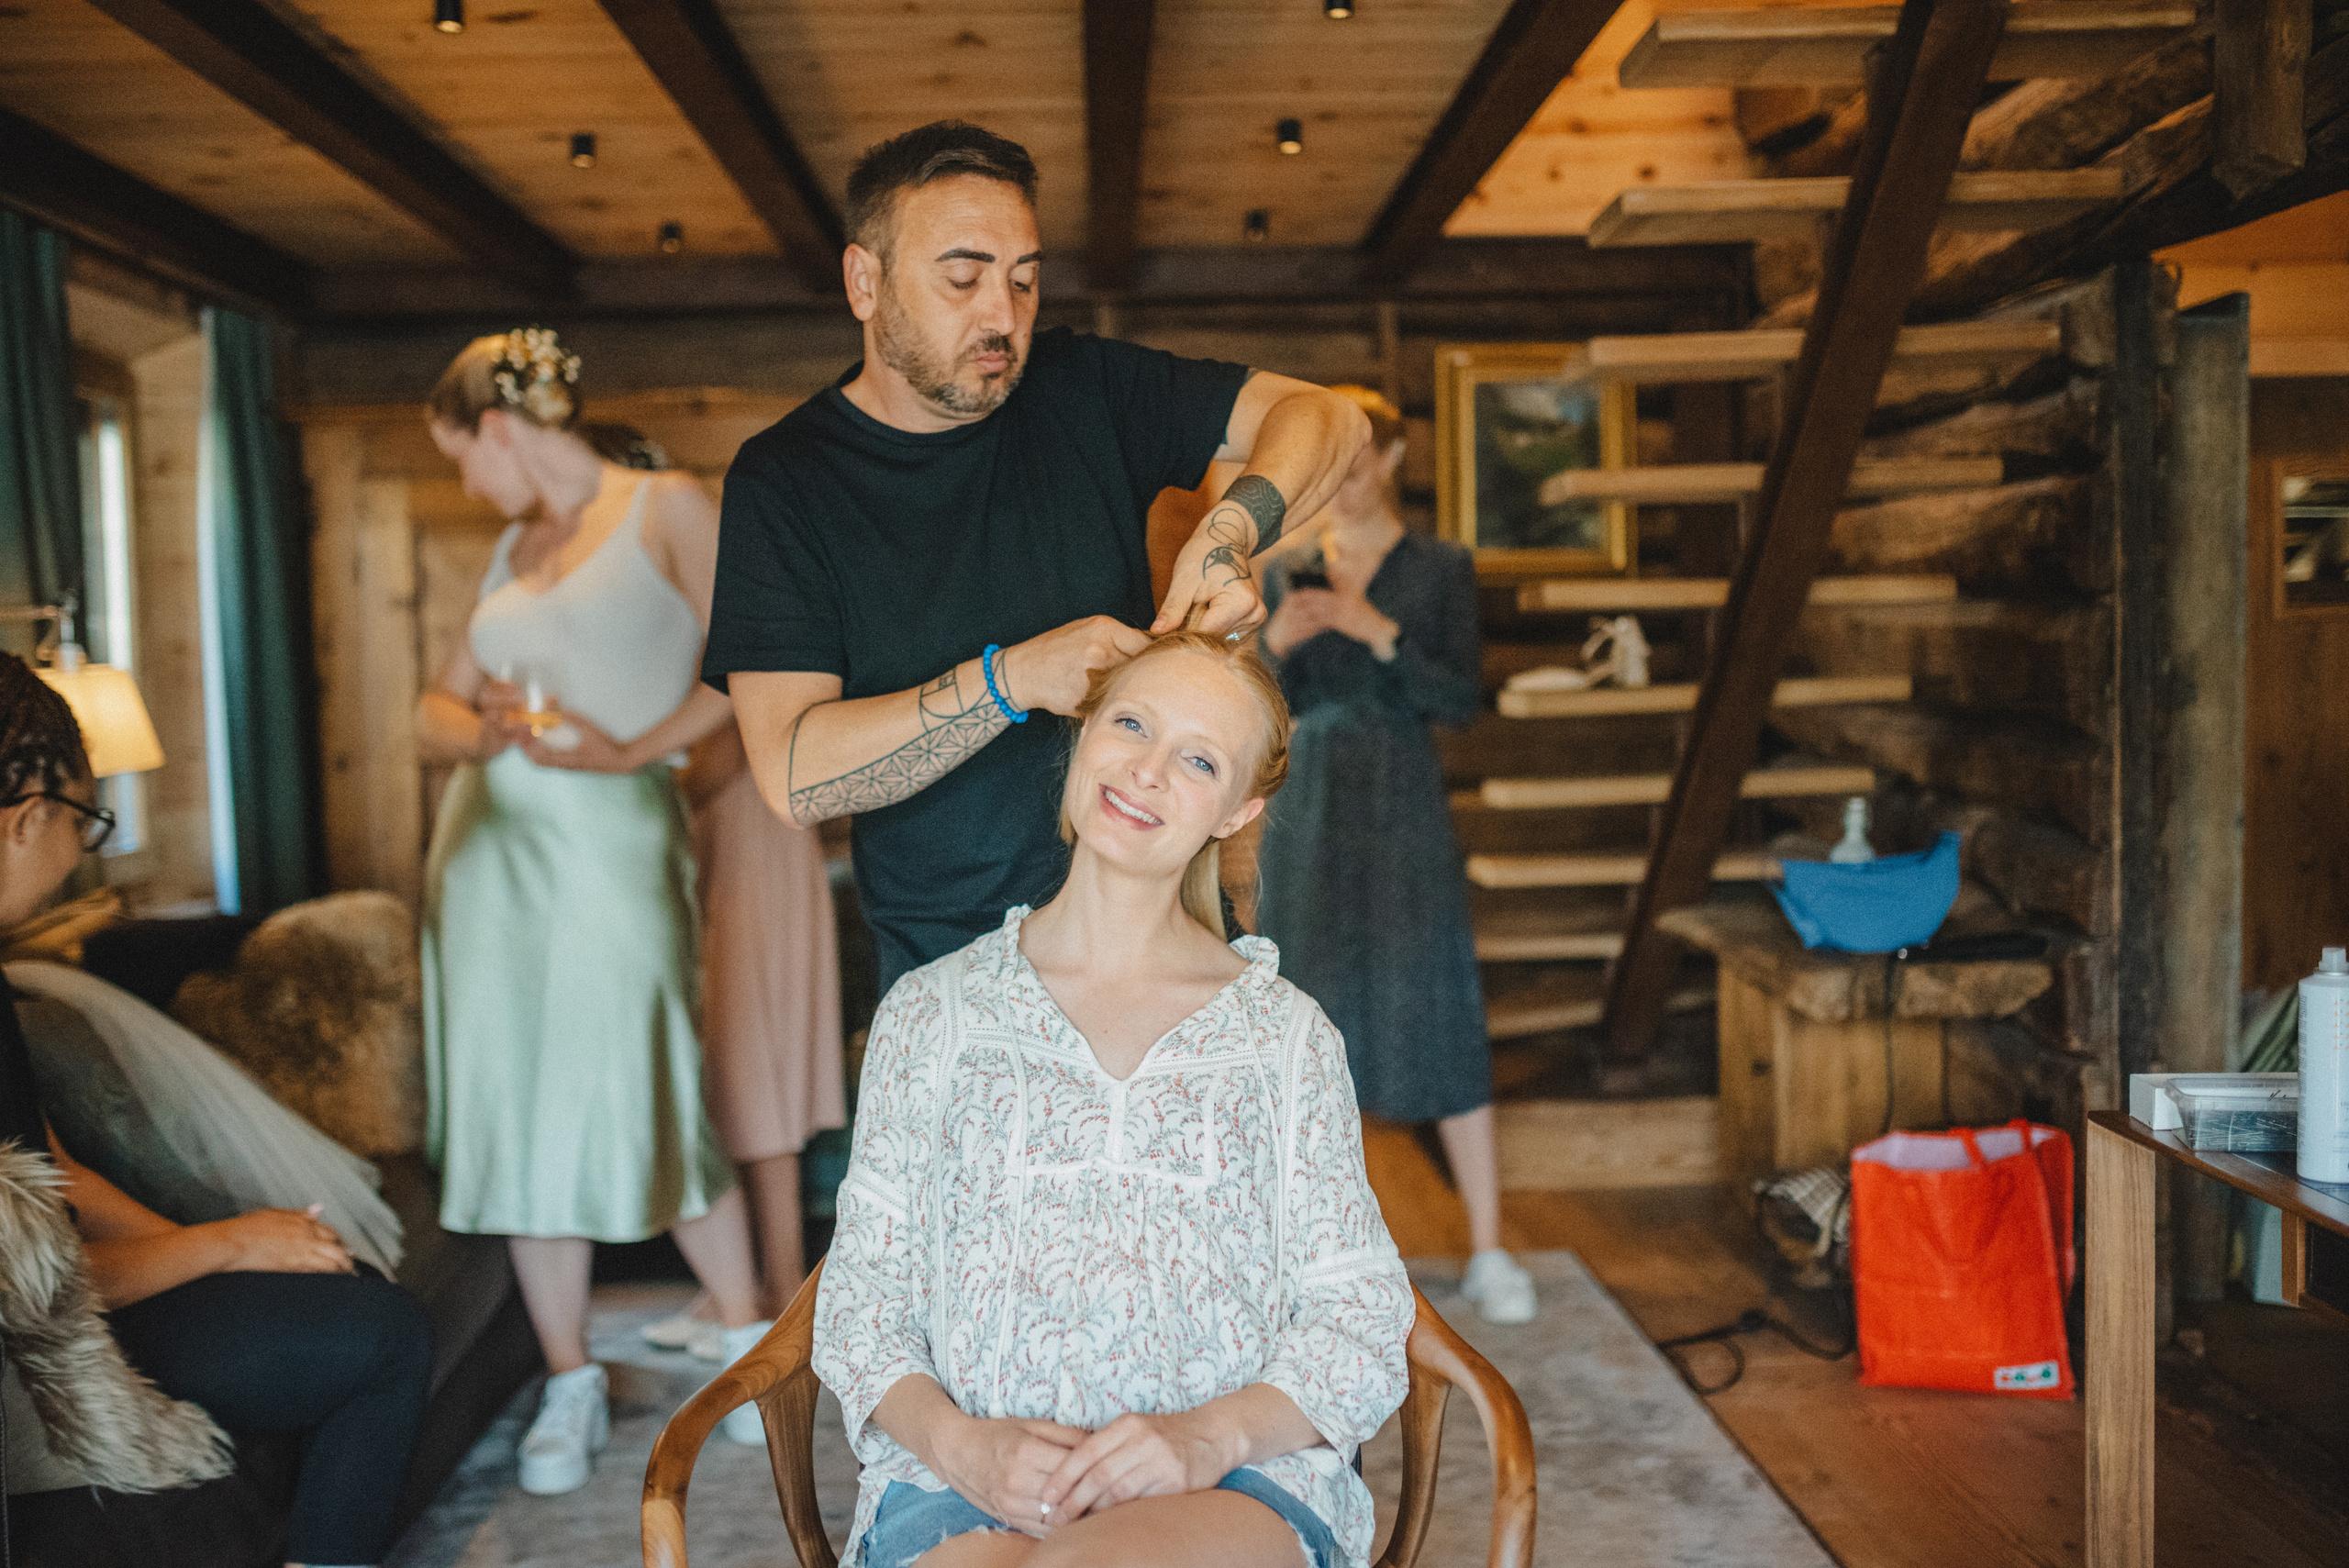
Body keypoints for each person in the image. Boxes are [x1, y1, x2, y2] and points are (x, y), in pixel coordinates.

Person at [704, 120, 1371, 995]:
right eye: (963, 277)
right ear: (864, 282)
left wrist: (1233, 529)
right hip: (960, 979)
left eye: (1024, 280)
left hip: (1165, 953)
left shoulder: (1082, 386)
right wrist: (1011, 679)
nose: (1003, 315)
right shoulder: (787, 481)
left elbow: (1330, 418)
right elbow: (797, 778)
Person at [815, 629, 1412, 1568]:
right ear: (1083, 733)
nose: (1146, 769)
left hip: (1229, 1484)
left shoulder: (1283, 1036)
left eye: (1199, 757)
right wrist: (962, 1443)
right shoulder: (935, 1012)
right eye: (1130, 722)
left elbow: (1360, 1318)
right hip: (959, 1482)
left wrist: (1201, 1439)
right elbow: (859, 1301)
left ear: (1237, 808)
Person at [417, 328, 770, 1493]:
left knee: (649, 1072)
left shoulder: (663, 503)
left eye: (464, 456)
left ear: (504, 430)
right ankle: (568, 1377)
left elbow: (755, 658)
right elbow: (437, 706)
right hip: (486, 862)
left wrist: (632, 752)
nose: (468, 485)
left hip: (614, 843)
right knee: (519, 1105)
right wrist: (483, 732)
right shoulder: (511, 545)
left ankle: (737, 1333)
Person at [0, 653, 434, 1568]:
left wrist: (240, 1248)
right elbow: (27, 1285)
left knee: (339, 1289)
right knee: (384, 1337)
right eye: (87, 818)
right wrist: (226, 1245)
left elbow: (52, 1169)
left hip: (68, 1294)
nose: (85, 851)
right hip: (31, 1347)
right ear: (31, 810)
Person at [1254, 386, 1536, 1325]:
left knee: (1435, 996)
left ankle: (1489, 1248)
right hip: (1310, 805)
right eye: (1326, 460)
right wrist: (1270, 646)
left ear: (1394, 457)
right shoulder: (1285, 566)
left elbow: (1461, 698)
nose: (1342, 478)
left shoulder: (1440, 567)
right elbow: (1256, 710)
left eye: (1358, 455)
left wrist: (1378, 631)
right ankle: (1291, 1252)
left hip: (1405, 798)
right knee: (1301, 1014)